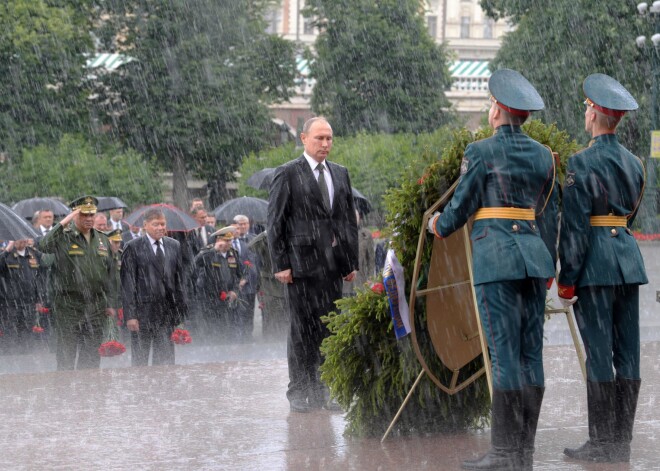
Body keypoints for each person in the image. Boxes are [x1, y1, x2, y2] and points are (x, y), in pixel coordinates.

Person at [428, 69, 559, 470]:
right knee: (530, 354)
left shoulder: (481, 152)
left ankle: (503, 454)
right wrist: (548, 261)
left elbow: (461, 206)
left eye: (490, 104)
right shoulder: (544, 156)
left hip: (497, 257)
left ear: (499, 110)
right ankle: (524, 451)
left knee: (503, 355)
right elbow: (548, 213)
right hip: (534, 259)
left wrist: (438, 224)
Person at [558, 74, 647, 464]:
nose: (585, 111)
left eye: (586, 107)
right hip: (628, 263)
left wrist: (567, 280)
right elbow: (628, 216)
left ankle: (600, 442)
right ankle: (620, 442)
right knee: (628, 353)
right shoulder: (635, 162)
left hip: (595, 266)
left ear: (595, 114)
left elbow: (576, 229)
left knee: (599, 353)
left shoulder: (580, 162)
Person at [267, 116, 359, 413]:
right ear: (304, 138)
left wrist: (350, 262)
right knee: (301, 330)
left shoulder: (341, 174)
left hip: (331, 267)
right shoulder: (288, 173)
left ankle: (325, 388)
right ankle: (299, 389)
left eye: (329, 138)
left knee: (329, 329)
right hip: (300, 267)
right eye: (319, 138)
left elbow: (346, 221)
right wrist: (281, 263)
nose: (325, 144)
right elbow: (275, 222)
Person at [39, 196, 117, 370]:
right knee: (66, 356)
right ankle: (65, 395)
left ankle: (87, 395)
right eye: (83, 215)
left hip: (96, 305)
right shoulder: (63, 237)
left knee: (90, 359)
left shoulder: (103, 239)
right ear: (74, 215)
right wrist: (64, 222)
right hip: (69, 305)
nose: (89, 219)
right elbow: (44, 245)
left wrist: (111, 303)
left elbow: (111, 274)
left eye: (92, 215)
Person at [121, 208, 188, 366]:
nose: (160, 228)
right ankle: (142, 388)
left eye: (163, 224)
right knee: (140, 359)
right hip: (142, 312)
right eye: (155, 224)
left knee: (165, 359)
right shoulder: (133, 247)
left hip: (166, 313)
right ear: (145, 225)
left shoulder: (174, 245)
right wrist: (130, 315)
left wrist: (181, 308)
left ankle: (164, 389)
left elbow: (179, 279)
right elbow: (128, 283)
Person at [194, 226, 244, 340]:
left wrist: (235, 291)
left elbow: (238, 275)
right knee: (210, 327)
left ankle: (224, 349)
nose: (229, 243)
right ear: (219, 240)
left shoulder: (233, 253)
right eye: (226, 241)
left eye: (230, 240)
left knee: (226, 327)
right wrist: (214, 250)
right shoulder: (208, 251)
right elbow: (197, 262)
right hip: (209, 297)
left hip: (226, 296)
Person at [0, 239, 47, 352]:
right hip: (10, 302)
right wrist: (7, 250)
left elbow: (40, 277)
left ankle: (26, 357)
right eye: (18, 239)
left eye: (24, 238)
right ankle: (10, 359)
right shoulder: (6, 254)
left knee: (27, 332)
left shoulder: (34, 254)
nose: (22, 241)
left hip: (29, 300)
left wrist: (40, 298)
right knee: (10, 332)